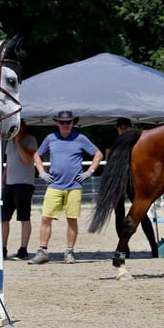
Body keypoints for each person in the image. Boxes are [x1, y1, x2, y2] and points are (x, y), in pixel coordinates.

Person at [29, 110, 103, 265]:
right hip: (54, 185)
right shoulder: (50, 138)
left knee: (72, 220)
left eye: (68, 122)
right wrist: (41, 172)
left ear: (73, 123)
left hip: (74, 186)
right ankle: (42, 251)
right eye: (62, 122)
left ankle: (69, 252)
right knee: (45, 218)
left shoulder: (81, 138)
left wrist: (90, 172)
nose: (65, 125)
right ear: (57, 123)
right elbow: (37, 155)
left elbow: (98, 154)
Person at [107, 117, 159, 258]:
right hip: (118, 179)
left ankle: (154, 246)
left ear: (130, 127)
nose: (123, 130)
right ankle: (124, 248)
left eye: (126, 127)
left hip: (133, 179)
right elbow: (109, 159)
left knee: (140, 213)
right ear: (117, 129)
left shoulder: (138, 142)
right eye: (120, 127)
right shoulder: (113, 142)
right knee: (119, 214)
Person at [0, 119, 38, 260]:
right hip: (9, 184)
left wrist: (18, 143)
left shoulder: (30, 140)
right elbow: (8, 163)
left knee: (24, 217)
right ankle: (2, 249)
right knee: (3, 218)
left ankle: (23, 249)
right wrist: (3, 181)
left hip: (24, 183)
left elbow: (28, 159)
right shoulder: (9, 141)